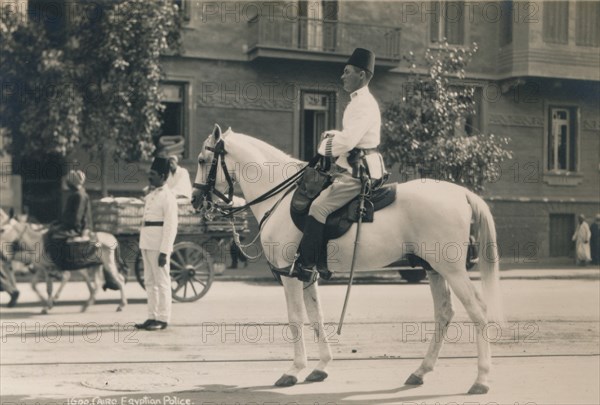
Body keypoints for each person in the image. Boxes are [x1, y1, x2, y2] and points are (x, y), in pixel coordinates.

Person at [294, 48, 386, 280]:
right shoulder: (358, 101)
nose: (342, 76)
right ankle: (323, 258)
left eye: (347, 72)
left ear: (362, 75)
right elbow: (348, 136)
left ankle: (308, 265)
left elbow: (348, 141)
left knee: (318, 207)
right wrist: (333, 135)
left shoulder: (363, 103)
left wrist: (323, 144)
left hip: (360, 171)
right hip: (352, 165)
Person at [135, 157, 178, 331]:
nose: (149, 177)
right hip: (146, 243)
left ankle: (162, 318)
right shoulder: (151, 195)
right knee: (150, 282)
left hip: (159, 245)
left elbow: (170, 226)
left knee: (162, 282)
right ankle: (151, 316)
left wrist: (164, 251)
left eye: (152, 174)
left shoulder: (168, 197)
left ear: (162, 176)